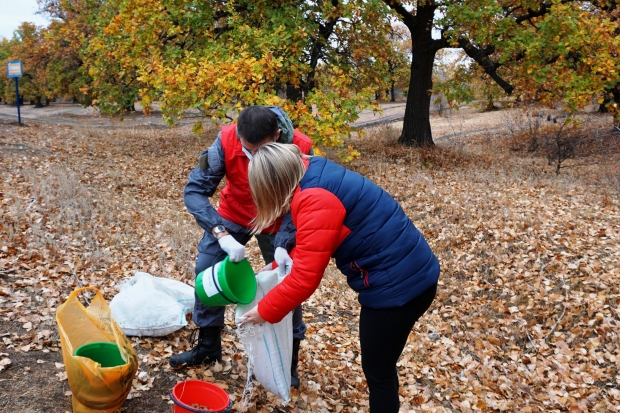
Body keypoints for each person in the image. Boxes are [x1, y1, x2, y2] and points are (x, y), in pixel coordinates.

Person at [240, 143, 440, 412]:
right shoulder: (314, 172)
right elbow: (314, 238)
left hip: (397, 289)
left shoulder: (315, 198)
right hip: (411, 273)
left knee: (378, 373)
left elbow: (304, 279)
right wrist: (277, 263)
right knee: (383, 366)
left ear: (275, 184)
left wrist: (263, 311)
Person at [172, 106, 313, 388]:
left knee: (287, 281)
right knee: (207, 265)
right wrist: (220, 233)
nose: (252, 158)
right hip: (234, 215)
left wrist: (285, 244)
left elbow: (303, 198)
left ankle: (289, 360)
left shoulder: (301, 146)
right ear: (238, 134)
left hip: (278, 220)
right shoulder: (225, 141)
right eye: (247, 151)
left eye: (260, 151)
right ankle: (208, 346)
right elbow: (195, 190)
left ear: (277, 136)